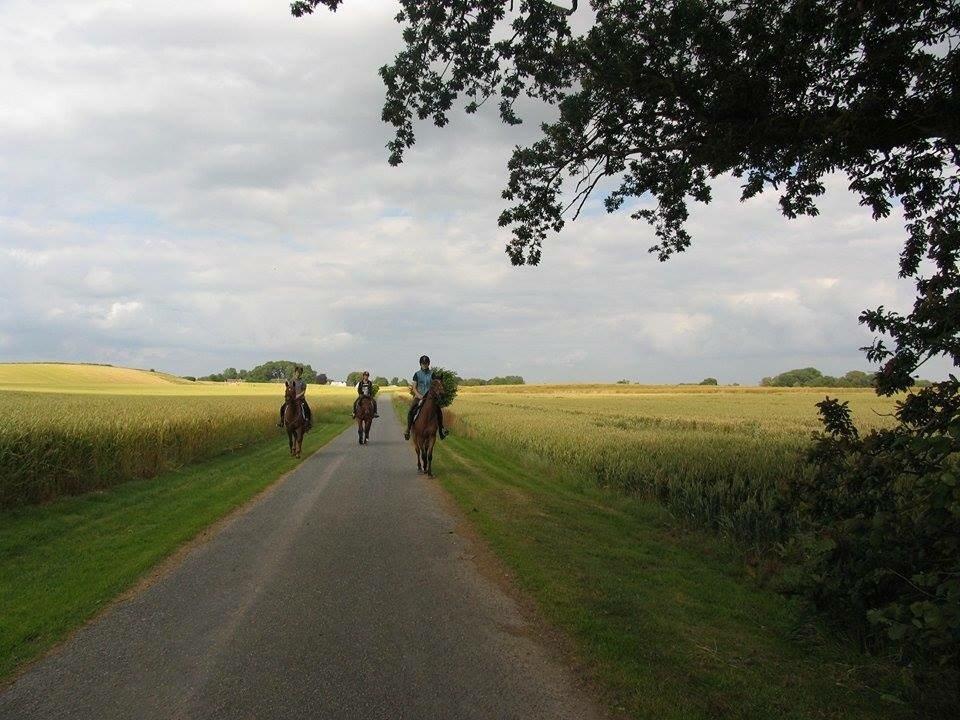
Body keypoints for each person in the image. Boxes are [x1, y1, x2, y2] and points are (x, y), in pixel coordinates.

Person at [404, 355, 448, 441]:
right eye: (423, 363)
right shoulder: (417, 374)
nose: (424, 365)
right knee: (411, 410)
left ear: (428, 364)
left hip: (430, 398)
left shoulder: (432, 374)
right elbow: (414, 387)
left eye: (426, 363)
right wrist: (418, 395)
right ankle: (408, 430)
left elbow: (435, 385)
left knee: (438, 411)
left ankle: (441, 430)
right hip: (419, 397)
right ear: (420, 364)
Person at [277, 366, 312, 430]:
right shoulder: (291, 381)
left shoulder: (303, 382)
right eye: (297, 372)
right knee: (282, 408)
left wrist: (297, 396)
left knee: (307, 409)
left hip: (301, 399)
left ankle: (308, 423)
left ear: (301, 373)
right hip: (292, 400)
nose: (298, 374)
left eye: (300, 373)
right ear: (295, 372)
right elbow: (289, 389)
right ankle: (281, 421)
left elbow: (303, 392)